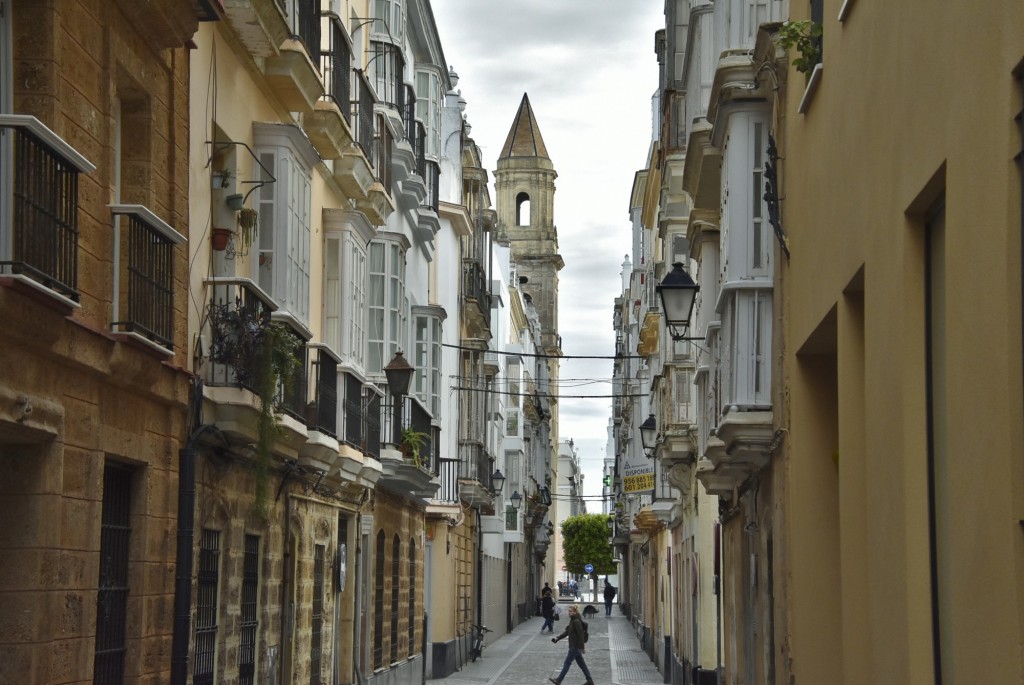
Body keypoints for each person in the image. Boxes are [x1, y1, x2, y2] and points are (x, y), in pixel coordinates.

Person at [548, 604, 593, 685]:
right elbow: (567, 632)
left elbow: (580, 635)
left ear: (575, 612)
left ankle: (558, 680)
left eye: (570, 611)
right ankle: (590, 681)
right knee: (582, 664)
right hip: (574, 646)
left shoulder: (576, 621)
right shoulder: (572, 620)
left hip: (575, 646)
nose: (569, 613)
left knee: (567, 663)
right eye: (568, 611)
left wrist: (582, 647)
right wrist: (557, 638)